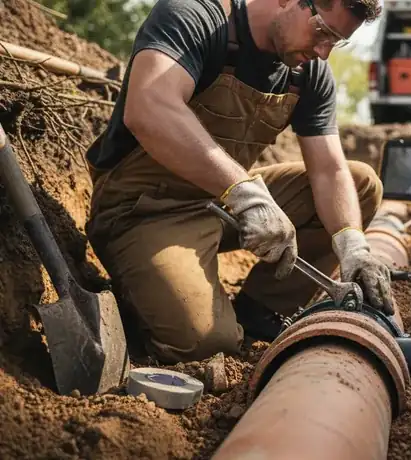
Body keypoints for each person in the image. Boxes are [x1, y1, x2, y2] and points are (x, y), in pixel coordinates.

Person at [83, 0, 393, 364]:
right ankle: (150, 295)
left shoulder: (306, 73)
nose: (322, 53)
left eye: (336, 41)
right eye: (323, 32)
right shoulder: (194, 16)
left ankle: (260, 310)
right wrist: (245, 192)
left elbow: (330, 170)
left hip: (220, 202)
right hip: (145, 209)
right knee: (205, 344)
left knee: (361, 185)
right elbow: (149, 107)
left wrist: (353, 245)